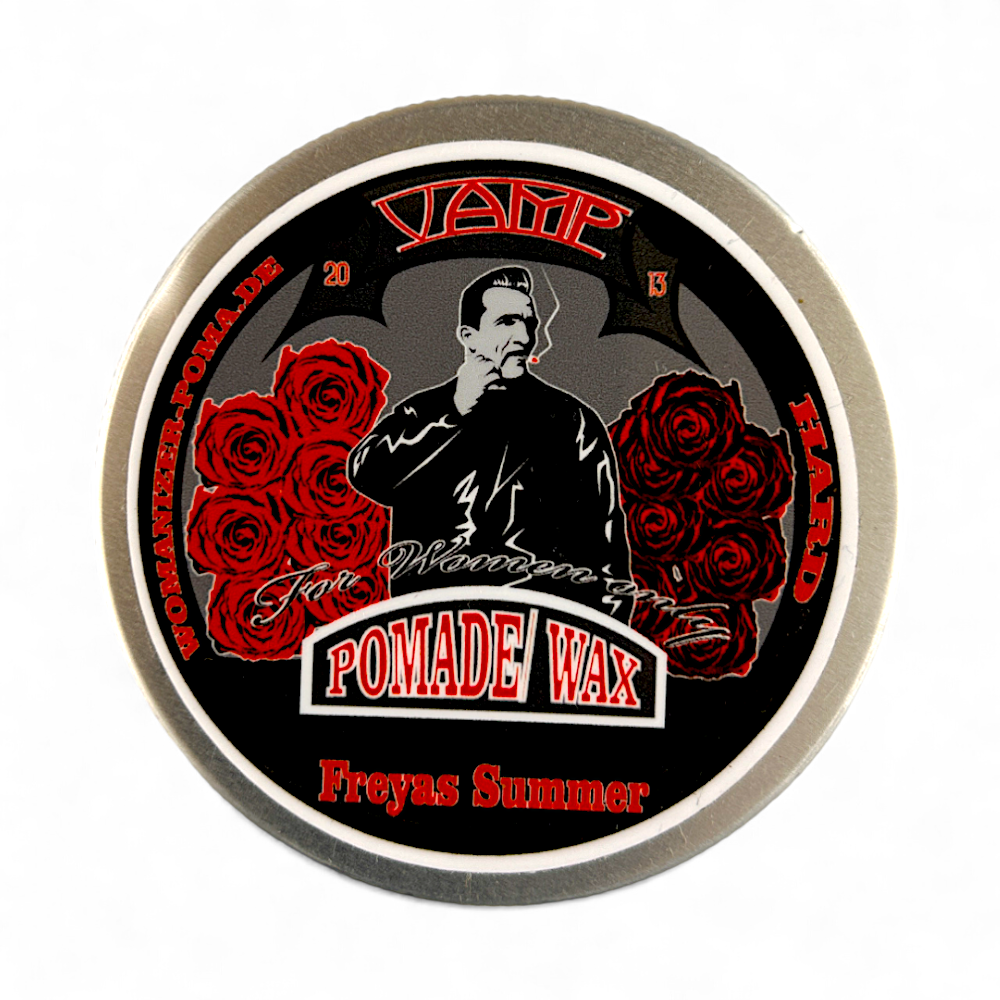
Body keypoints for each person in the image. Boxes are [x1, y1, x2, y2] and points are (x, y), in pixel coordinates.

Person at [347, 265, 633, 622]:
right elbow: (367, 475)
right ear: (469, 336)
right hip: (435, 632)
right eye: (507, 322)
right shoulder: (424, 411)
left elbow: (605, 547)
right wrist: (453, 413)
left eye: (529, 323)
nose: (524, 337)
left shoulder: (572, 420)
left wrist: (604, 635)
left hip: (545, 633)